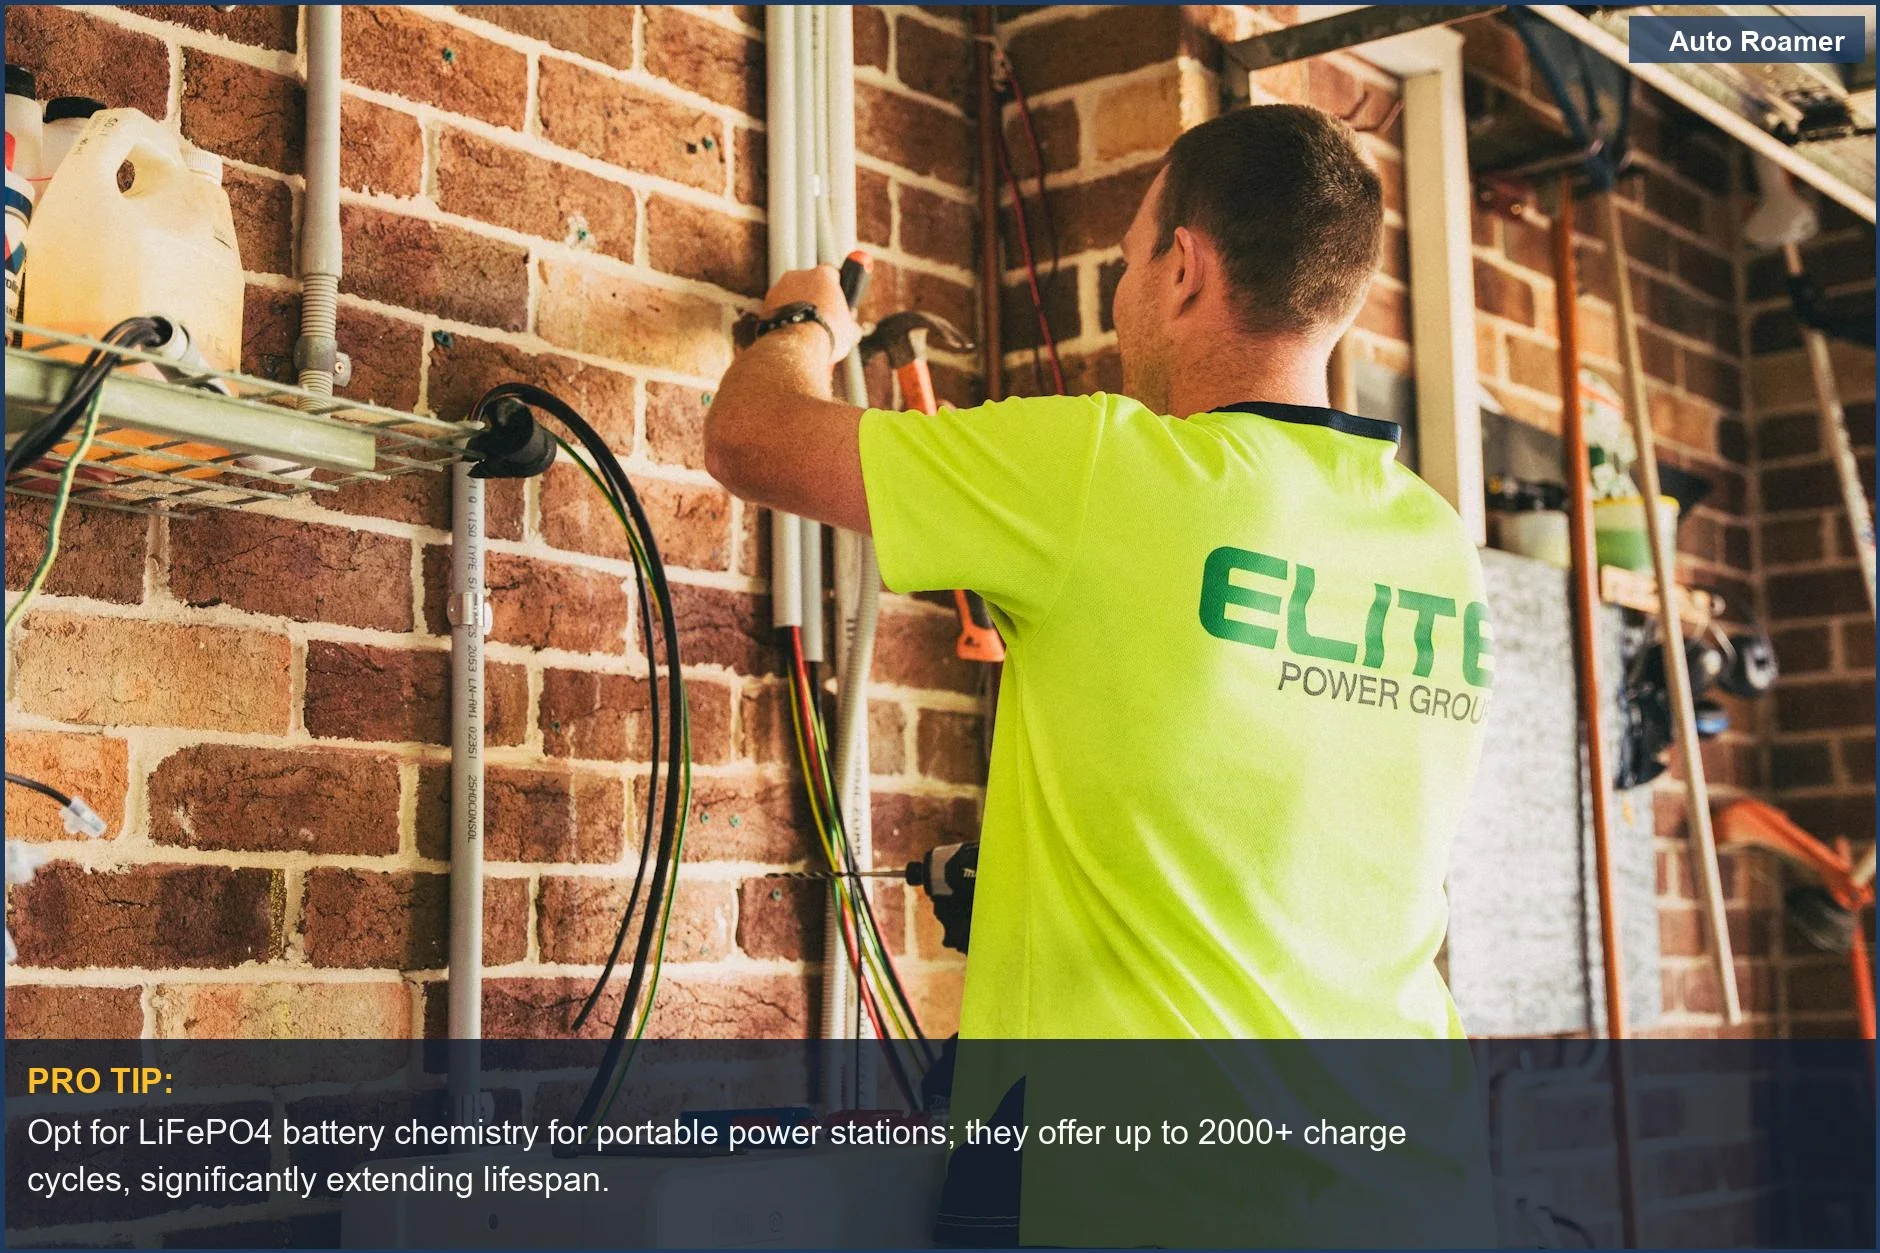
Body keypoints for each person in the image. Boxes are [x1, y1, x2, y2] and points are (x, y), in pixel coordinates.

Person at [706, 102, 1493, 1044]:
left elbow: (751, 438)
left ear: (1185, 269)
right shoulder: (1437, 543)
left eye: (1127, 263)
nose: (1124, 294)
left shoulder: (1105, 472)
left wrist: (801, 324)